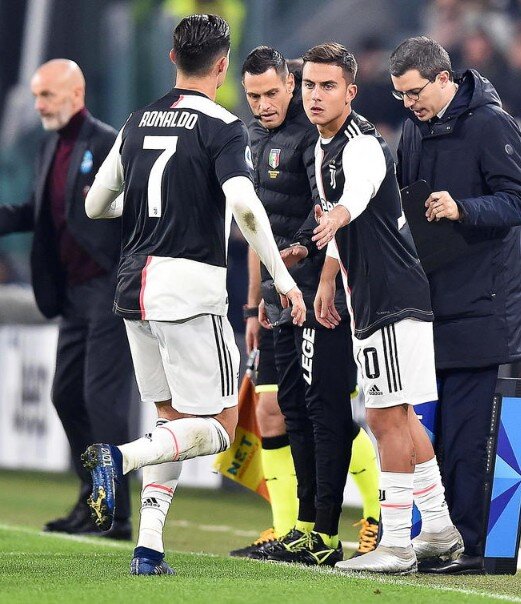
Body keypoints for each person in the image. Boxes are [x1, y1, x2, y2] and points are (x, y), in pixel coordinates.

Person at [81, 14, 305, 576]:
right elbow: (245, 206)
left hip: (133, 288)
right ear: (223, 66)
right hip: (188, 291)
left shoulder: (136, 120)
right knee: (222, 427)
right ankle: (118, 457)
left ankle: (149, 548)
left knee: (172, 420)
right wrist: (282, 279)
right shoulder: (223, 127)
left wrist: (138, 207)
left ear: (172, 59)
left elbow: (95, 205)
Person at [290, 42, 462, 574]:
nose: (315, 95)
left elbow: (360, 190)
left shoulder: (360, 143)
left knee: (383, 416)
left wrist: (338, 216)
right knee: (401, 415)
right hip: (384, 292)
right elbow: (344, 213)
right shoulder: (322, 146)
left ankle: (396, 543)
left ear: (350, 92)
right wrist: (327, 269)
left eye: (328, 86)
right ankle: (439, 529)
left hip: (387, 298)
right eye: (309, 85)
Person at [230, 46, 380, 564]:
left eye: (272, 93)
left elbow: (329, 212)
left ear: (289, 85)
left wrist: (320, 274)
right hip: (279, 296)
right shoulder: (252, 138)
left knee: (325, 409)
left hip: (319, 290)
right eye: (253, 97)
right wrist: (254, 304)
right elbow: (256, 227)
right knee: (282, 408)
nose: (264, 105)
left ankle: (368, 516)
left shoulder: (319, 138)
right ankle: (296, 526)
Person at [390, 36, 521, 574]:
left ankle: (479, 547)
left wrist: (462, 208)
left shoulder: (491, 124)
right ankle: (442, 538)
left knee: (474, 437)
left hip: (485, 305)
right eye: (400, 95)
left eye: (414, 93)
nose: (408, 104)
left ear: (443, 78)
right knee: (438, 436)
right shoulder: (414, 128)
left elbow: (516, 200)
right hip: (433, 300)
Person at [0, 59, 134, 540]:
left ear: (76, 94)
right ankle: (92, 499)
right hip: (73, 294)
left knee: (101, 399)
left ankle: (116, 514)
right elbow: (37, 212)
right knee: (65, 396)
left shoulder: (107, 143)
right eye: (37, 95)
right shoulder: (49, 146)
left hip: (108, 288)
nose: (39, 105)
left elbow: (133, 213)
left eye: (47, 95)